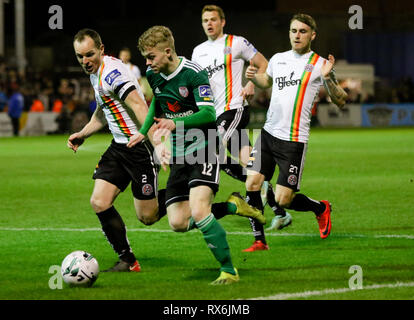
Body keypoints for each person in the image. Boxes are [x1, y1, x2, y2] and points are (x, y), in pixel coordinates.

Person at [135, 25, 262, 285]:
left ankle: (228, 270)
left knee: (200, 210)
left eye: (151, 56)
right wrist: (143, 131)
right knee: (178, 222)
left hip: (205, 147)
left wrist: (175, 124)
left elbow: (208, 114)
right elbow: (157, 104)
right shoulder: (153, 74)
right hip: (180, 154)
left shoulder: (194, 73)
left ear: (167, 51)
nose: (147, 63)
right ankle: (232, 206)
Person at [244, 13, 348, 249]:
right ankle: (259, 240)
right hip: (268, 134)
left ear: (312, 35)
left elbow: (340, 101)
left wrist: (328, 79)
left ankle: (320, 208)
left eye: (302, 31)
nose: (297, 35)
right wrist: (254, 78)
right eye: (293, 31)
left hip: (293, 141)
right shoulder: (278, 59)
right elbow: (267, 81)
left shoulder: (320, 64)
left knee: (284, 199)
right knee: (252, 182)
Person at [68, 28, 168, 272]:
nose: (85, 61)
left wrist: (157, 144)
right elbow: (104, 110)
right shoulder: (95, 73)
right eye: (80, 57)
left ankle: (182, 190)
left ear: (101, 50)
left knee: (148, 216)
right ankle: (128, 260)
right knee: (99, 202)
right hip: (118, 147)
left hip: (139, 148)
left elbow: (139, 105)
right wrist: (83, 133)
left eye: (89, 54)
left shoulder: (112, 73)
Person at [191, 4, 289, 252]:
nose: (209, 23)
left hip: (234, 108)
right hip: (213, 114)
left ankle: (251, 207)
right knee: (248, 166)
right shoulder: (197, 52)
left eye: (213, 19)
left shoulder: (237, 43)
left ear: (222, 21)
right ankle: (277, 208)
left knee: (211, 149)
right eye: (205, 20)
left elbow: (263, 64)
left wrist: (251, 83)